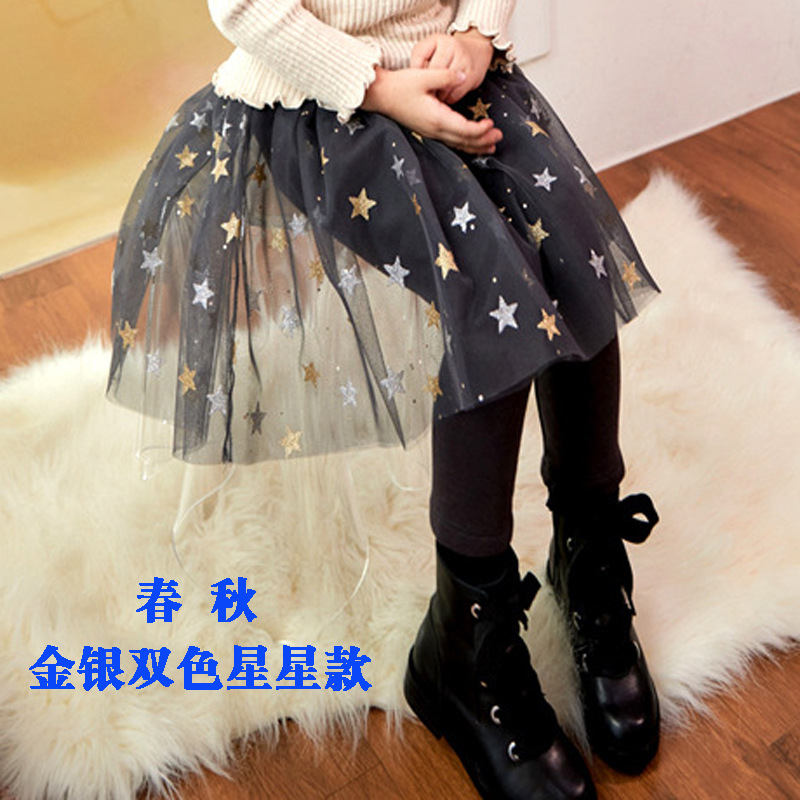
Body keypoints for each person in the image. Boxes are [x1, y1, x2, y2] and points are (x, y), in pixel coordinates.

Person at [107, 2, 661, 797]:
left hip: (452, 73)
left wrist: (477, 33)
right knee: (491, 308)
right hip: (323, 98)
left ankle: (588, 556)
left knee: (579, 262)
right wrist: (373, 83)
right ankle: (464, 642)